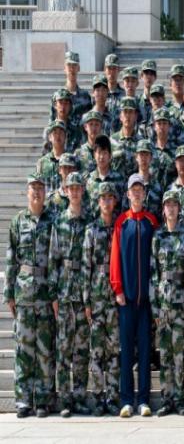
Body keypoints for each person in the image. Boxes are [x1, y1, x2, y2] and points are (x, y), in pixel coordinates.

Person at [6, 173, 57, 418]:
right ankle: (24, 399)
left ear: (45, 192)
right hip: (24, 292)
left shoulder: (52, 220)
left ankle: (44, 400)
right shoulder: (18, 222)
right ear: (27, 192)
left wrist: (55, 293)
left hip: (45, 292)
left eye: (40, 188)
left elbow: (56, 260)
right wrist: (8, 293)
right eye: (33, 188)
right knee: (24, 349)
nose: (36, 192)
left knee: (44, 349)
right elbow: (11, 258)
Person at [109, 173, 159, 418]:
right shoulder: (122, 222)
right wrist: (117, 288)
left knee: (145, 351)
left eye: (140, 189)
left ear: (144, 193)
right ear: (128, 194)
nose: (137, 193)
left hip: (146, 301)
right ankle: (127, 400)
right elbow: (115, 258)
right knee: (127, 350)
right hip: (126, 299)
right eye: (133, 190)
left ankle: (144, 400)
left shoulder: (151, 222)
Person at [48, 172, 91, 417]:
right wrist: (54, 294)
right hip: (64, 292)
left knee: (81, 349)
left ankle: (80, 397)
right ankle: (65, 399)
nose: (74, 192)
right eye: (71, 188)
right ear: (65, 191)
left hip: (82, 292)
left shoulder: (88, 221)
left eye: (78, 188)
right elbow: (53, 260)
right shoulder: (59, 223)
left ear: (82, 191)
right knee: (64, 348)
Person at [151, 190, 184, 416]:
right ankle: (166, 399)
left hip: (181, 301)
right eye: (168, 205)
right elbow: (152, 272)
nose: (171, 209)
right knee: (165, 353)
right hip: (163, 303)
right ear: (163, 209)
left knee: (179, 352)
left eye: (175, 205)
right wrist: (154, 305)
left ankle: (180, 398)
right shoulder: (158, 236)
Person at [82, 182, 120, 416]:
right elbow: (86, 267)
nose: (106, 202)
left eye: (109, 198)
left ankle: (112, 397)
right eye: (102, 198)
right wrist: (86, 301)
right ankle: (98, 398)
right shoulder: (91, 230)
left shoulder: (119, 228)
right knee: (96, 350)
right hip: (96, 298)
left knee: (114, 349)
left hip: (114, 298)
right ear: (98, 202)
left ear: (114, 202)